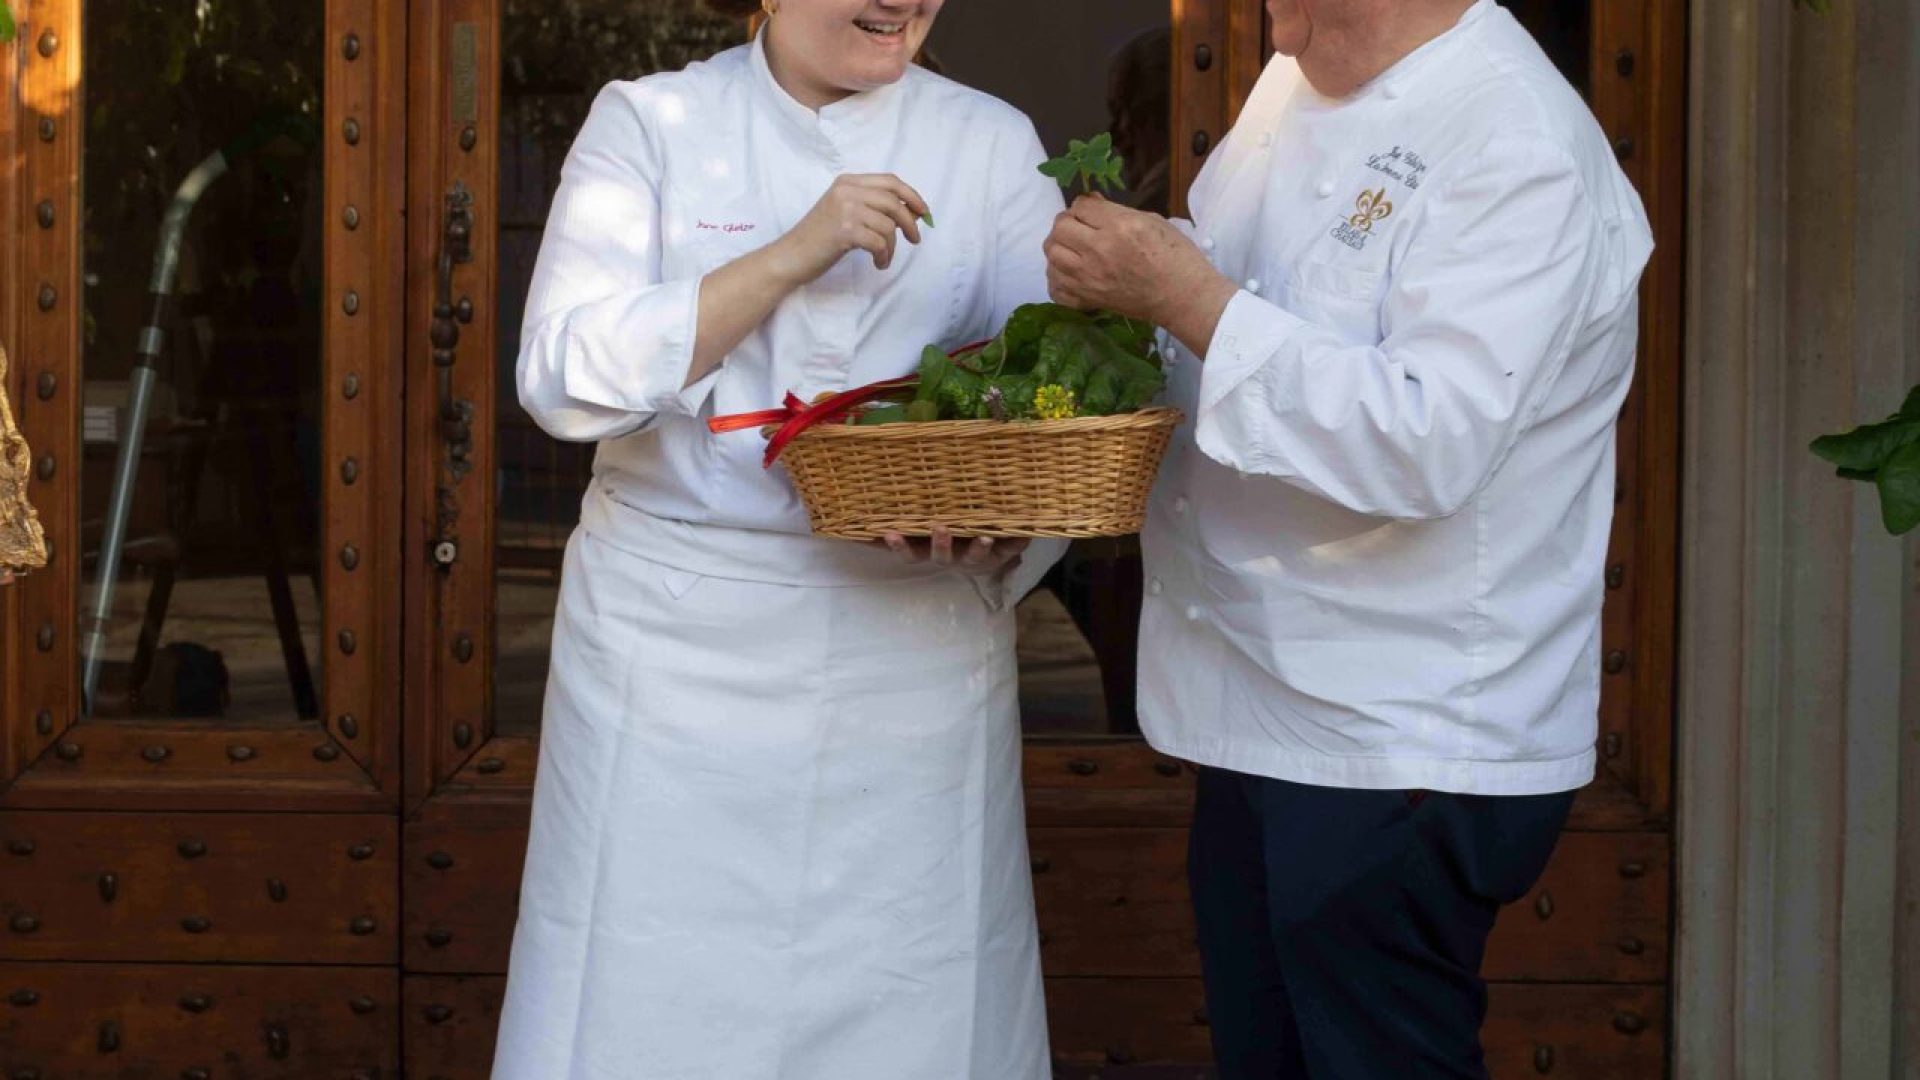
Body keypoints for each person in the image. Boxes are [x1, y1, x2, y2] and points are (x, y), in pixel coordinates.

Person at [1043, 0, 1653, 1075]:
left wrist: (1184, 294)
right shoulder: (1297, 78)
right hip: (1261, 703)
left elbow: (1428, 438)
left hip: (1402, 731)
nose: (1260, 17)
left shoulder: (1516, 142)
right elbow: (1254, 291)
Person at [489, 1, 1065, 1077]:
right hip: (668, 656)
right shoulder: (650, 122)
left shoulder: (990, 142)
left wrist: (993, 534)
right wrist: (794, 251)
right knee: (641, 995)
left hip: (908, 660)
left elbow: (1050, 404)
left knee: (915, 997)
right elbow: (561, 377)